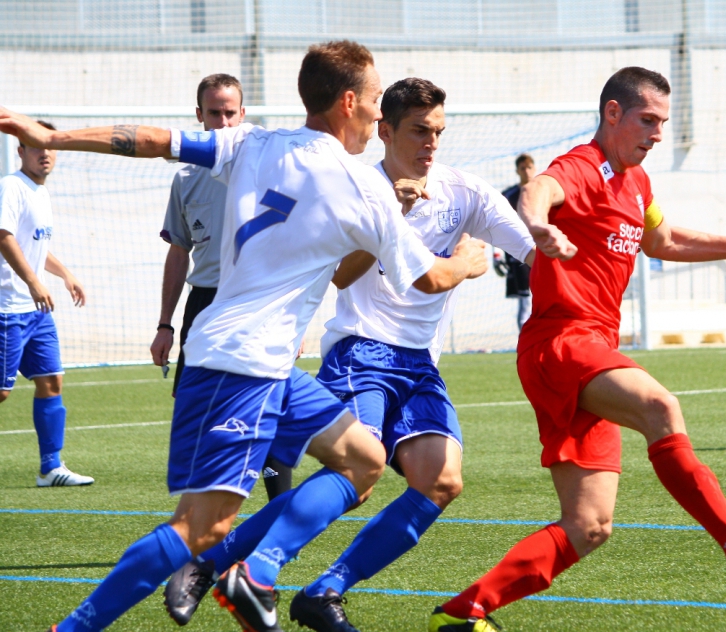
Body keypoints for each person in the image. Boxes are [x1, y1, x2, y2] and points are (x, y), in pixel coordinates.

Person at [1, 38, 487, 632]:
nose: (379, 113)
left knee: (362, 458)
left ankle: (255, 575)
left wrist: (53, 137)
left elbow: (153, 142)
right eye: (377, 99)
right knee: (201, 527)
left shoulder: (255, 141)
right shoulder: (364, 189)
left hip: (264, 363)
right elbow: (434, 278)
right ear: (350, 101)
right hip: (242, 366)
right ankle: (73, 628)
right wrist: (468, 259)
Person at [427, 66, 726, 632]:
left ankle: (465, 612)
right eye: (647, 120)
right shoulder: (583, 167)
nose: (657, 133)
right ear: (613, 113)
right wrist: (535, 225)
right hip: (561, 341)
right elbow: (540, 190)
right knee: (661, 408)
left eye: (662, 122)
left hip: (587, 349)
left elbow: (666, 240)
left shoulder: (638, 184)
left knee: (588, 526)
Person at [161, 76, 535, 632]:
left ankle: (324, 590)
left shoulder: (465, 191)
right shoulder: (353, 183)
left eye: (437, 132)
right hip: (361, 350)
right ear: (384, 130)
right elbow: (341, 276)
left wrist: (558, 238)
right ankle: (232, 565)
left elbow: (532, 242)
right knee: (358, 474)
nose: (430, 143)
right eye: (417, 131)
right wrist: (395, 217)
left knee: (441, 480)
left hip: (419, 363)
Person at [150, 73, 293, 501]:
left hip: (259, 301)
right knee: (195, 412)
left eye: (231, 112)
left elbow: (293, 247)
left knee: (270, 408)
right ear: (199, 116)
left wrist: (297, 320)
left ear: (243, 114)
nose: (224, 121)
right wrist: (165, 325)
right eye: (215, 112)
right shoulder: (185, 179)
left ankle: (277, 513)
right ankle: (195, 522)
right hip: (205, 302)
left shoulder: (272, 172)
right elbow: (179, 253)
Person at [0, 120, 92, 488]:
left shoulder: (41, 193)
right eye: (35, 147)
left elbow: (34, 244)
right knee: (2, 392)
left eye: (49, 147)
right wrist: (34, 282)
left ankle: (50, 467)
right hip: (8, 307)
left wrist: (64, 274)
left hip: (35, 312)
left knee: (51, 381)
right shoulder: (11, 186)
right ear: (20, 151)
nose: (45, 154)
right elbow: (4, 238)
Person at [496, 153, 535, 330]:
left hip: (544, 253)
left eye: (529, 167)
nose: (526, 172)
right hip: (520, 257)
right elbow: (495, 225)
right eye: (522, 168)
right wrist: (497, 255)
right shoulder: (509, 196)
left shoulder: (547, 192)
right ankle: (526, 345)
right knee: (525, 302)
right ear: (517, 171)